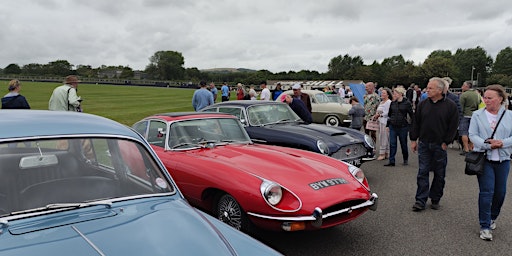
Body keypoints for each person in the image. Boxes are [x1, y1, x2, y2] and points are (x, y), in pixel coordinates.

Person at [469, 84, 512, 241]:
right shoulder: (477, 115)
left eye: (489, 98)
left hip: (503, 160)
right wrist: (488, 144)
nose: (485, 100)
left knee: (500, 193)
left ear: (500, 99)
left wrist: (502, 143)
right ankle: (485, 226)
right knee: (487, 192)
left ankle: (492, 217)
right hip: (484, 159)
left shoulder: (510, 115)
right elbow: (472, 135)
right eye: (484, 97)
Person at [410, 77, 459, 211]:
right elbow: (416, 122)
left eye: (430, 88)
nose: (427, 90)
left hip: (440, 145)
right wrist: (414, 139)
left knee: (439, 173)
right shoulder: (422, 104)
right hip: (424, 143)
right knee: (422, 172)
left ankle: (435, 198)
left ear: (440, 90)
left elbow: (453, 126)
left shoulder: (450, 106)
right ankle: (420, 200)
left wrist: (446, 142)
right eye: (428, 87)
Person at [386, 86, 414, 166]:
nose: (394, 95)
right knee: (392, 143)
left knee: (403, 143)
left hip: (403, 126)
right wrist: (387, 125)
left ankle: (405, 158)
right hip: (393, 125)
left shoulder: (407, 103)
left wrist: (412, 125)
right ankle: (392, 161)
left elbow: (411, 115)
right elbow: (390, 114)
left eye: (395, 93)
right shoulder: (392, 103)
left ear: (400, 94)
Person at [459, 81, 480, 155]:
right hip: (475, 115)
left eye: (463, 85)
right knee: (472, 132)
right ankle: (471, 147)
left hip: (465, 115)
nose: (462, 87)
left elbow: (460, 107)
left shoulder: (464, 95)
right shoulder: (477, 94)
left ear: (467, 87)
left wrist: (459, 116)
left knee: (464, 132)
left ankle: (466, 149)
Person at [375, 87, 392, 161]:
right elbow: (378, 110)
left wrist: (379, 115)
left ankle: (383, 153)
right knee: (382, 137)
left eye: (384, 93)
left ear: (388, 94)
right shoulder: (381, 102)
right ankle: (386, 153)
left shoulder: (388, 102)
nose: (382, 94)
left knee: (384, 137)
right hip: (380, 121)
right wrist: (376, 115)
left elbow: (387, 113)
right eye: (382, 93)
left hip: (385, 121)